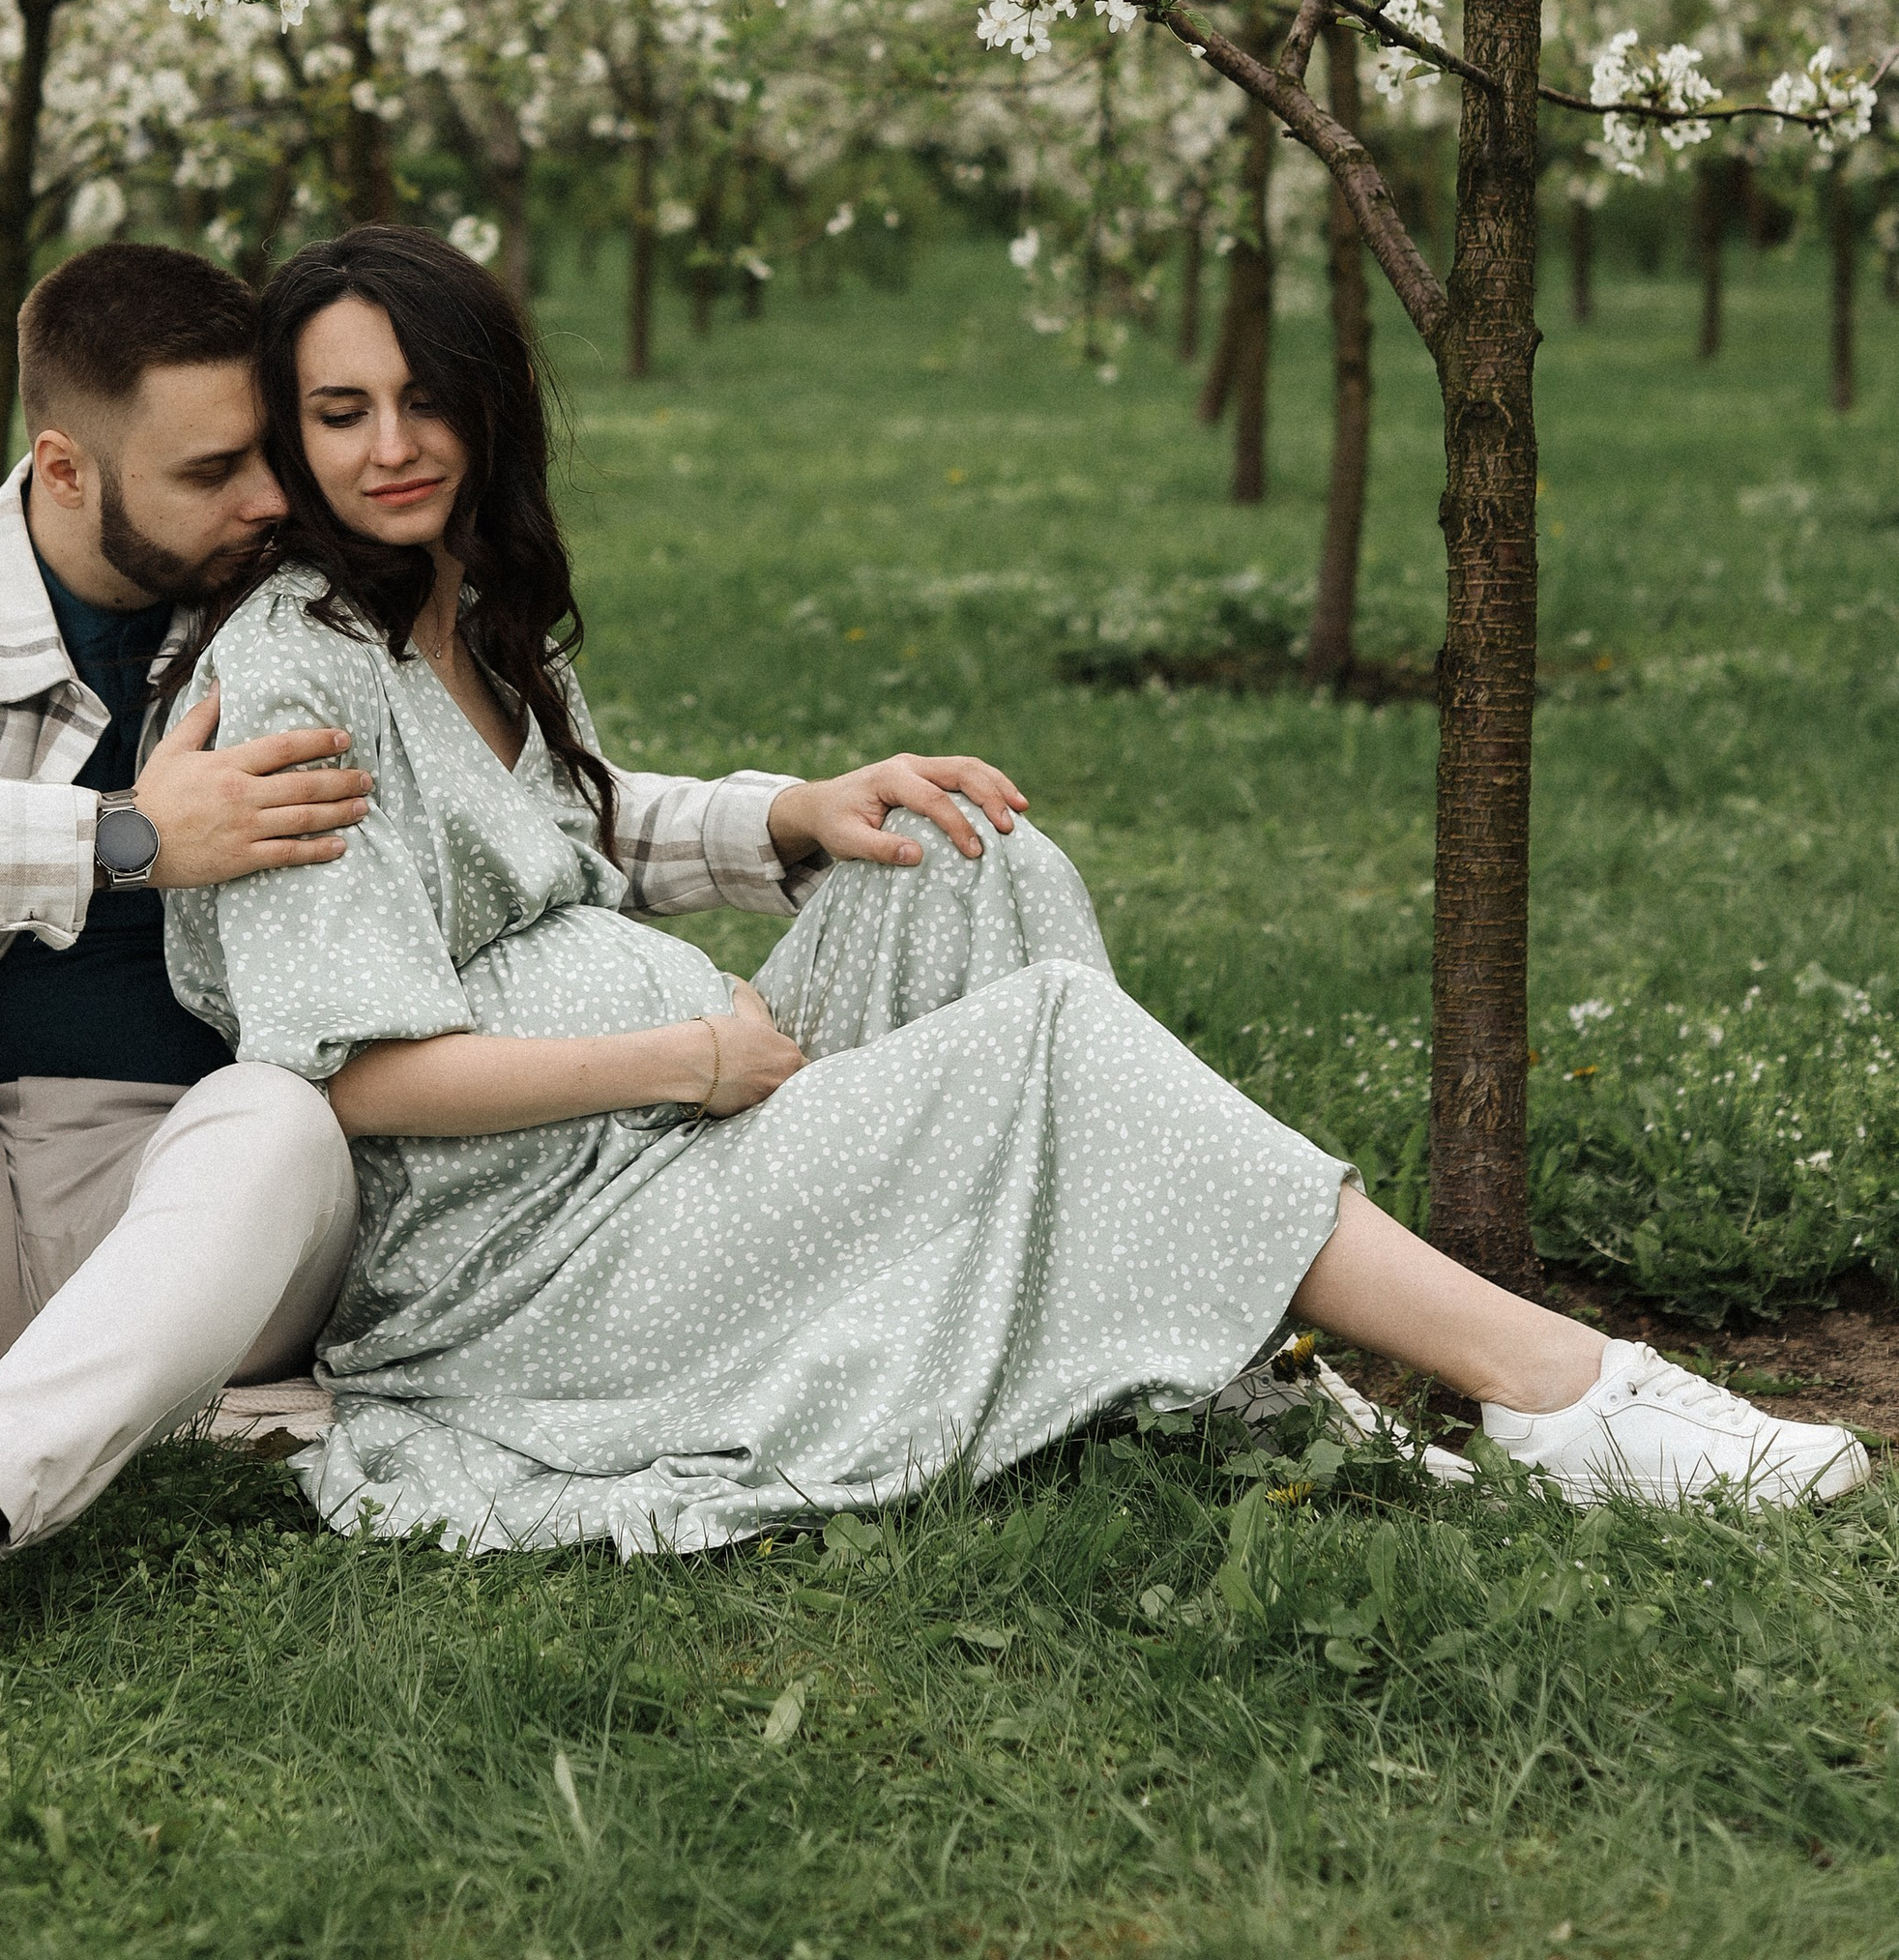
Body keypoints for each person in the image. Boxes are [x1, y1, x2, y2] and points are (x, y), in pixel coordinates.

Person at [165, 225, 1870, 1554]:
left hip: (654, 1143)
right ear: (291, 435)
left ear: (485, 402)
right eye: (339, 413)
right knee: (1047, 1035)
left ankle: (1217, 1359)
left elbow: (566, 845)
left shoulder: (464, 605)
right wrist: (684, 1060)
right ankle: (1554, 1389)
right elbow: (360, 1070)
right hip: (528, 1266)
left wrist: (812, 812)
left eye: (424, 399)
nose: (394, 445)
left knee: (973, 858)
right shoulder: (296, 675)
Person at [0, 240, 911, 1731]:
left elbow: (501, 819)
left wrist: (779, 818)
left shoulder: (294, 610)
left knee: (280, 1110)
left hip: (216, 1212)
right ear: (67, 469)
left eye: (269, 456)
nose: (272, 503)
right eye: (215, 472)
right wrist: (125, 840)